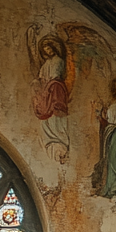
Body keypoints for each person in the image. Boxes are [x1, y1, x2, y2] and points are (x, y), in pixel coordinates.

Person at [28, 29, 70, 162]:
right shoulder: (46, 63)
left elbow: (55, 76)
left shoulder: (58, 61)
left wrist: (46, 83)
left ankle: (60, 140)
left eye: (49, 49)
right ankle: (50, 140)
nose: (48, 51)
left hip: (55, 89)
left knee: (56, 116)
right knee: (46, 118)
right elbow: (42, 77)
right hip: (47, 90)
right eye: (45, 50)